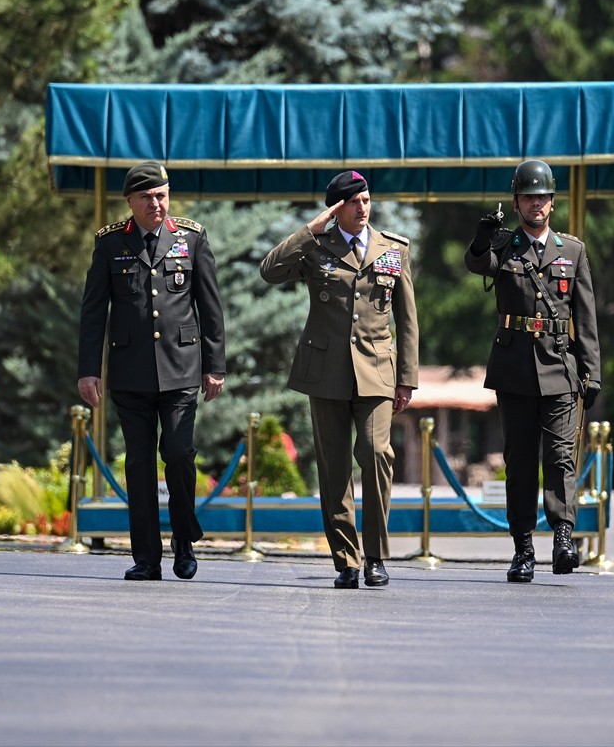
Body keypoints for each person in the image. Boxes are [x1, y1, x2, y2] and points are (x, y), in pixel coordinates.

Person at [259, 170, 419, 589]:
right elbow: (270, 271)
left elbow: (407, 320)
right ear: (336, 209)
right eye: (353, 202)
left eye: (366, 200)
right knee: (333, 470)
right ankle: (347, 560)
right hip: (325, 373)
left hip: (377, 373)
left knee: (376, 452)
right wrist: (310, 230)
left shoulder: (392, 249)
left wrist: (407, 379)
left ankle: (376, 556)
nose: (362, 208)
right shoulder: (317, 248)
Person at [77, 162, 226, 582]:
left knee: (178, 455)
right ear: (130, 202)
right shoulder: (110, 244)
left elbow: (210, 308)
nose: (156, 203)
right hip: (130, 373)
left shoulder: (191, 238)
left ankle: (183, 539)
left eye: (161, 195)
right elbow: (93, 312)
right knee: (139, 463)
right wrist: (88, 370)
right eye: (147, 197)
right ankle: (146, 557)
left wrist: (214, 366)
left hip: (181, 370)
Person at [464, 159, 602, 583]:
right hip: (515, 368)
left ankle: (563, 537)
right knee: (520, 461)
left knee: (561, 456)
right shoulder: (505, 246)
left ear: (552, 202)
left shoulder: (572, 251)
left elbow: (587, 315)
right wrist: (481, 237)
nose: (535, 204)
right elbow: (476, 264)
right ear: (517, 202)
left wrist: (592, 371)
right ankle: (523, 548)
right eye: (528, 196)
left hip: (560, 366)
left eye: (542, 197)